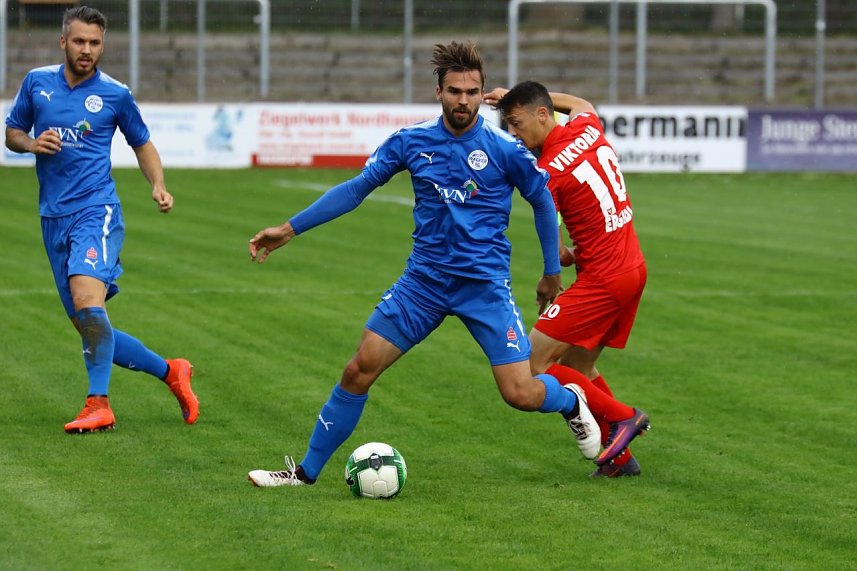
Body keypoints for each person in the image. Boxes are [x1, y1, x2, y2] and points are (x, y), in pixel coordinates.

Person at [246, 41, 601, 488]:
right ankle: (303, 473)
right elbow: (357, 189)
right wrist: (290, 228)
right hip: (424, 283)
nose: (464, 100)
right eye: (455, 90)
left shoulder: (505, 149)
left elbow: (543, 202)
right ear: (439, 92)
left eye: (472, 91)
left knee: (520, 393)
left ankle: (569, 402)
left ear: (482, 92)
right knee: (359, 368)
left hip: (484, 286)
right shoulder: (411, 141)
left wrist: (552, 271)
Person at [4, 6, 199, 433]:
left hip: (97, 211)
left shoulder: (115, 94)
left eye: (95, 43)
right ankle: (172, 371)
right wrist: (33, 144)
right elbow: (12, 132)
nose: (87, 50)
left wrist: (158, 184)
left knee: (88, 304)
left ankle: (98, 405)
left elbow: (142, 143)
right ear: (63, 42)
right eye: (79, 42)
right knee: (88, 325)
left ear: (102, 45)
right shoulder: (37, 83)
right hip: (52, 217)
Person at [486, 81, 650, 477]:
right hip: (633, 268)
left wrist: (553, 270)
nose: (514, 135)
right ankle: (619, 460)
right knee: (578, 366)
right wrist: (516, 93)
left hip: (603, 279)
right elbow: (580, 101)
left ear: (543, 115)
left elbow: (556, 249)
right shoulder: (586, 127)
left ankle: (626, 416)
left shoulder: (547, 171)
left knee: (532, 365)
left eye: (517, 123)